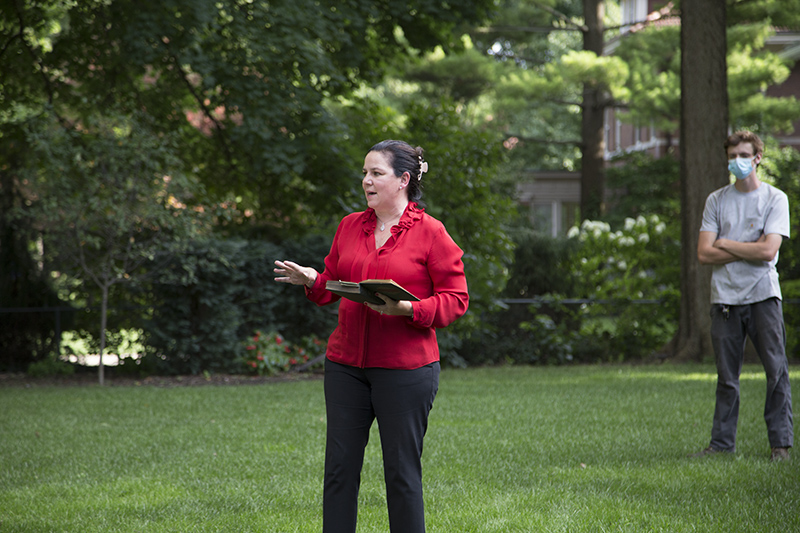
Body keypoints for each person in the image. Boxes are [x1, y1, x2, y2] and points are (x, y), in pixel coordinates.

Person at [273, 140, 469, 532]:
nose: (366, 181)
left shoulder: (431, 233)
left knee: (401, 476)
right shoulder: (349, 226)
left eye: (376, 173)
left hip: (406, 371)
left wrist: (410, 309)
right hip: (346, 367)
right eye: (365, 173)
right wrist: (314, 280)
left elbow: (456, 299)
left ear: (403, 180)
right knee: (339, 472)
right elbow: (332, 285)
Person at [692, 130, 793, 462]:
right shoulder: (716, 200)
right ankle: (721, 446)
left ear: (757, 158)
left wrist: (725, 242)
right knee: (727, 378)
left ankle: (780, 445)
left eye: (743, 156)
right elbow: (704, 254)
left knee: (776, 371)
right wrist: (748, 247)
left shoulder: (775, 199)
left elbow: (768, 251)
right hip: (724, 300)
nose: (737, 162)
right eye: (732, 156)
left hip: (764, 296)